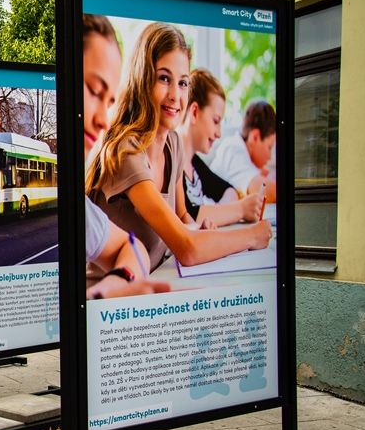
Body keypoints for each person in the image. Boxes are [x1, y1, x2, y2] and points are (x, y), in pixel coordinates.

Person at [87, 22, 271, 273]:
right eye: (164, 78)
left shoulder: (173, 145)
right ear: (142, 80)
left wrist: (199, 231)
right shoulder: (125, 151)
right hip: (111, 299)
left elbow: (184, 220)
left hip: (154, 283)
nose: (176, 95)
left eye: (183, 83)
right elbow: (187, 249)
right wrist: (251, 236)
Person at [81, 14, 170, 299]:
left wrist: (115, 284)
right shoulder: (124, 151)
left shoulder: (77, 209)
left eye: (108, 101)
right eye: (95, 91)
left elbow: (132, 246)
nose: (102, 120)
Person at [179, 69, 263, 226]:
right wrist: (240, 210)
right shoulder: (173, 163)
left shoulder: (194, 163)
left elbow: (228, 191)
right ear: (195, 112)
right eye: (215, 121)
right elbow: (189, 214)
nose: (219, 133)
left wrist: (218, 214)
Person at [206, 99, 277, 203]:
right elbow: (266, 192)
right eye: (269, 147)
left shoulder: (243, 155)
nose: (270, 156)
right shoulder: (233, 149)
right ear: (255, 137)